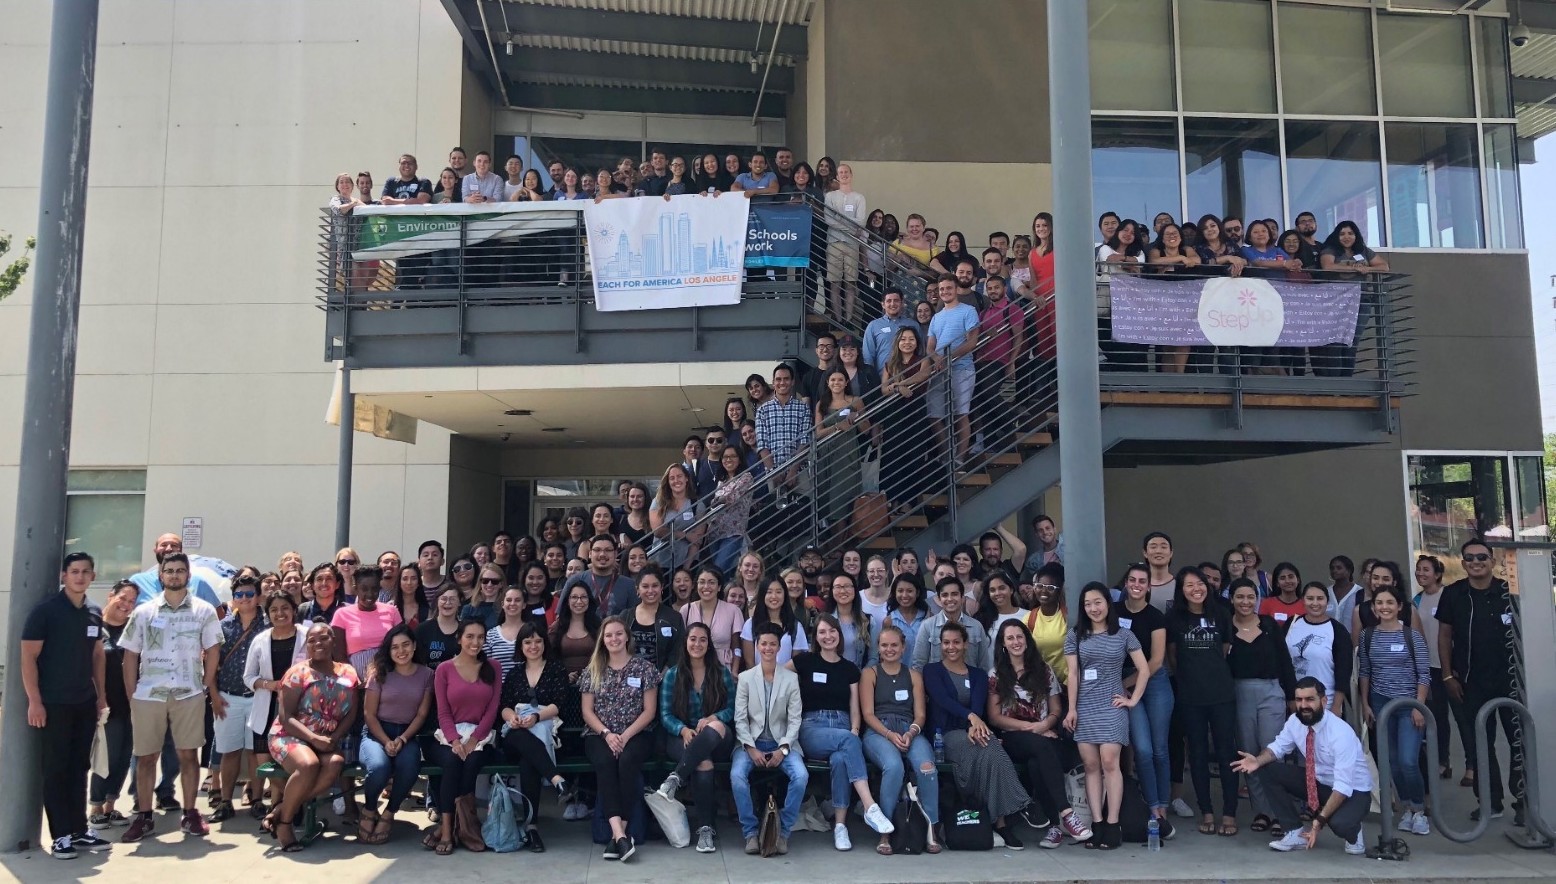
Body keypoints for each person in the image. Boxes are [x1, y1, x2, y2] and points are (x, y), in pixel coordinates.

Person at [118, 553, 223, 843]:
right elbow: (130, 654)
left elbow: (213, 649)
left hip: (188, 693)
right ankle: (144, 816)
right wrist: (132, 694)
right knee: (146, 757)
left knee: (188, 756)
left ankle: (190, 813)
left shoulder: (204, 610)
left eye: (180, 571)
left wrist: (205, 685)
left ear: (188, 575)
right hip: (149, 695)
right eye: (169, 571)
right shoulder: (144, 612)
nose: (174, 575)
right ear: (161, 576)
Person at [21, 552, 110, 859]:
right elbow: (28, 657)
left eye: (86, 572)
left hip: (84, 703)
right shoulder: (46, 612)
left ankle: (78, 830)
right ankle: (60, 836)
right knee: (56, 770)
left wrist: (100, 696)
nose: (80, 576)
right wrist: (35, 701)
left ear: (93, 577)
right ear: (64, 575)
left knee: (79, 767)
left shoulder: (94, 612)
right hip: (53, 704)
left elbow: (97, 656)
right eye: (74, 571)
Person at [1230, 677, 1371, 855]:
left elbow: (1343, 786)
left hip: (1353, 792)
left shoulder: (1340, 733)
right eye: (1299, 700)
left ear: (1324, 701)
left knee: (1340, 824)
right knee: (1267, 769)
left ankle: (1354, 829)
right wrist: (1257, 761)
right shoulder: (1295, 722)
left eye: (1310, 699)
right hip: (1320, 784)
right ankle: (1294, 832)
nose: (1303, 705)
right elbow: (1277, 748)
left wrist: (1319, 821)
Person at [1437, 538, 1524, 823]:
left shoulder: (1509, 592)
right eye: (1470, 558)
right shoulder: (1453, 594)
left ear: (1492, 561)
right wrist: (1447, 675)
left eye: (1482, 557)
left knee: (1519, 743)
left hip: (1511, 682)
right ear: (1463, 563)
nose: (1476, 562)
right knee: (1480, 745)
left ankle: (1524, 804)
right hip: (1470, 682)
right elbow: (1444, 636)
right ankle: (1490, 802)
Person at [792, 616, 896, 850]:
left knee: (841, 759)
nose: (827, 636)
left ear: (839, 635)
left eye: (832, 631)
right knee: (848, 742)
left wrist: (855, 730)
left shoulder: (849, 669)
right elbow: (776, 674)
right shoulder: (805, 661)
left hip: (842, 726)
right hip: (812, 727)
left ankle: (840, 827)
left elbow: (854, 708)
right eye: (822, 632)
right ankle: (869, 806)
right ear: (815, 637)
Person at [925, 621, 1031, 848]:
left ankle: (1001, 821)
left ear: (966, 644)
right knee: (990, 748)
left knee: (991, 750)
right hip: (946, 736)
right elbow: (943, 700)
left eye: (956, 642)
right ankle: (1012, 814)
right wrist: (972, 718)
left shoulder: (978, 675)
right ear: (940, 645)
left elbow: (977, 704)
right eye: (946, 642)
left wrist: (974, 723)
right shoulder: (932, 671)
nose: (951, 647)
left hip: (974, 730)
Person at [988, 619, 1092, 848]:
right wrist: (1031, 728)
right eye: (1010, 638)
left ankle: (1054, 826)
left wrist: (1044, 726)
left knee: (1037, 764)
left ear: (1027, 640)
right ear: (1003, 644)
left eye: (1019, 637)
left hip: (1044, 735)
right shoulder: (996, 675)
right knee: (1041, 747)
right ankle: (1067, 814)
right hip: (1014, 736)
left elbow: (1055, 710)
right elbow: (995, 717)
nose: (1016, 642)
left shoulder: (1043, 671)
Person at [1064, 583, 1148, 850]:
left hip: (1112, 706)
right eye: (1088, 604)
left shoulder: (1124, 634)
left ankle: (1113, 824)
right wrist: (1072, 708)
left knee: (1110, 762)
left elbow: (1144, 669)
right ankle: (1097, 824)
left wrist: (1132, 700)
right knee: (1090, 765)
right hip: (1085, 706)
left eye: (1098, 602)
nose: (1093, 608)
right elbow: (1073, 674)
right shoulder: (1075, 635)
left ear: (1107, 604)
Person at [265, 622, 359, 852]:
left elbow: (352, 712)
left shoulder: (348, 672)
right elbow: (286, 717)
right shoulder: (297, 673)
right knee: (308, 765)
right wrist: (314, 739)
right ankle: (285, 825)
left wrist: (334, 737)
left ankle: (281, 809)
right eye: (312, 640)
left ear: (333, 641)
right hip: (290, 735)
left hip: (327, 739)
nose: (318, 643)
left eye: (324, 638)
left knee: (335, 763)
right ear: (306, 646)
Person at [651, 623, 738, 854]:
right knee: (703, 763)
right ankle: (706, 830)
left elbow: (731, 709)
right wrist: (682, 729)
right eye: (693, 639)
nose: (697, 644)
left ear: (709, 644)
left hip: (718, 737)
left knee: (716, 726)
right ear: (685, 642)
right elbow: (665, 715)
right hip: (682, 737)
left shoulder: (721, 672)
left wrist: (713, 717)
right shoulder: (673, 675)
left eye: (702, 640)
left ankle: (675, 778)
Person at [580, 616, 660, 862]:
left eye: (618, 634)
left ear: (627, 637)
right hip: (599, 734)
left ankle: (617, 837)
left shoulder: (645, 668)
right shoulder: (593, 669)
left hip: (636, 733)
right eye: (608, 635)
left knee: (627, 762)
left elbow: (649, 711)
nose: (613, 639)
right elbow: (587, 712)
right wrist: (607, 734)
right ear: (602, 640)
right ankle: (620, 834)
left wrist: (624, 736)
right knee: (605, 762)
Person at [1166, 566, 1239, 837]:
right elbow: (1173, 657)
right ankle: (1206, 811)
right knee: (1196, 754)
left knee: (1226, 753)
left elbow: (1224, 650)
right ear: (1181, 590)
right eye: (1189, 585)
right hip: (1190, 696)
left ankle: (1229, 813)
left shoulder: (1221, 613)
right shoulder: (1174, 618)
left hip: (1221, 694)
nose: (1196, 589)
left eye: (1200, 583)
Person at [1357, 583, 1432, 835]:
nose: (1384, 607)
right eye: (1379, 603)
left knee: (1408, 760)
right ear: (1373, 607)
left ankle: (1419, 809)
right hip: (1380, 704)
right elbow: (1365, 671)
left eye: (1390, 602)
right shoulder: (1367, 635)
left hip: (1408, 705)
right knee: (1391, 762)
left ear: (1399, 606)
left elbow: (1424, 674)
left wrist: (1419, 706)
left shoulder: (1412, 636)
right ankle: (1407, 807)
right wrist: (1366, 703)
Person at [1227, 578, 1298, 837]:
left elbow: (1285, 662)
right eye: (1240, 597)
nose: (1245, 602)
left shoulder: (1269, 625)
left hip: (1271, 692)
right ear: (1231, 599)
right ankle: (1262, 811)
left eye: (1250, 597)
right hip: (1239, 693)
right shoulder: (1225, 628)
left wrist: (1292, 696)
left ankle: (1280, 812)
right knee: (1248, 751)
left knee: (1271, 750)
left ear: (1257, 599)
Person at [732, 623, 809, 855]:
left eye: (772, 644)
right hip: (751, 743)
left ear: (779, 647)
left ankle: (782, 832)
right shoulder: (745, 678)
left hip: (782, 743)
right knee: (737, 776)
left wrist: (783, 749)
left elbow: (795, 720)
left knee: (801, 776)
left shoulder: (790, 679)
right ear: (757, 646)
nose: (768, 648)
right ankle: (750, 833)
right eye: (763, 644)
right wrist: (750, 748)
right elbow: (740, 719)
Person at [426, 619, 502, 855]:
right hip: (449, 735)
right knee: (452, 761)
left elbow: (492, 710)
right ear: (459, 639)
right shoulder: (444, 669)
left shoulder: (493, 667)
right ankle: (447, 830)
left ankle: (462, 827)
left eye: (480, 637)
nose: (475, 642)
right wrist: (456, 740)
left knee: (471, 762)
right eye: (470, 636)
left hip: (482, 737)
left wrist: (474, 740)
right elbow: (443, 712)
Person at [497, 622, 570, 852]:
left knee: (528, 761)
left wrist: (537, 717)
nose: (533, 646)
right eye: (528, 642)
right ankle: (557, 779)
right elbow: (504, 705)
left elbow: (559, 703)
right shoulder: (514, 673)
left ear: (545, 644)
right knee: (521, 737)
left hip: (547, 730)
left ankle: (531, 828)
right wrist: (513, 718)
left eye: (538, 641)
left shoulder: (556, 669)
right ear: (521, 646)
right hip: (515, 735)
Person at [358, 624, 433, 845]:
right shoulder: (379, 673)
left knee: (410, 766)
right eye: (395, 647)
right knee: (378, 768)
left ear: (414, 646)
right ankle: (370, 808)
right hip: (377, 732)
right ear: (388, 650)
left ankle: (390, 812)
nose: (401, 651)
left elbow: (421, 714)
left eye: (405, 645)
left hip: (407, 734)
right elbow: (369, 714)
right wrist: (385, 740)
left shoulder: (427, 674)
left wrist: (402, 739)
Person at [1113, 562, 1173, 834]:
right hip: (1126, 680)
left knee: (1160, 749)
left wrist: (1125, 684)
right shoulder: (1114, 612)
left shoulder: (1155, 616)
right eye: (1132, 580)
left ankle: (1163, 805)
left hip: (1154, 682)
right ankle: (1152, 805)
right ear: (1126, 583)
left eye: (1142, 581)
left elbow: (1157, 661)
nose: (1136, 585)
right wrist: (1122, 683)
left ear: (1149, 586)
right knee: (1143, 750)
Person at [205, 572, 266, 824]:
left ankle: (257, 800)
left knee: (255, 752)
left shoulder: (268, 626)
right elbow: (211, 663)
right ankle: (226, 801)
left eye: (249, 594)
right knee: (229, 752)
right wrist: (214, 695)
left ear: (259, 596)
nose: (244, 598)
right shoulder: (223, 626)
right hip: (228, 697)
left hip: (258, 698)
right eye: (239, 594)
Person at [89, 580, 141, 831]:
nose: (126, 605)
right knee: (106, 756)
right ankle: (96, 806)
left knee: (123, 756)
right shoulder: (94, 627)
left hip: (131, 704)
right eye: (123, 598)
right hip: (105, 704)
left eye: (132, 601)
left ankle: (111, 805)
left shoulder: (134, 629)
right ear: (111, 596)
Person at [926, 275, 981, 465]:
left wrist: (949, 357)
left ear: (956, 289)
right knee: (934, 415)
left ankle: (959, 458)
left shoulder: (968, 311)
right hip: (939, 370)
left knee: (960, 414)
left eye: (949, 288)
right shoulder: (936, 317)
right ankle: (946, 455)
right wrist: (937, 359)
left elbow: (972, 342)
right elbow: (930, 347)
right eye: (942, 289)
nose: (945, 292)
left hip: (962, 369)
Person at [1413, 554, 1455, 782]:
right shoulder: (1416, 600)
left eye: (1426, 570)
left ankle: (1455, 762)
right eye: (1418, 569)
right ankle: (1438, 760)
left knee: (1452, 716)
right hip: (1426, 666)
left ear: (1437, 574)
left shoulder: (1447, 596)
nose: (1421, 573)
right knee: (1433, 715)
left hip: (1446, 666)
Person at [1286, 582, 1353, 717]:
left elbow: (1344, 672)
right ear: (1303, 600)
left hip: (1326, 703)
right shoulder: (1291, 624)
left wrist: (1336, 706)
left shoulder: (1338, 630)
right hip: (1296, 702)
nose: (1315, 603)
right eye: (1310, 598)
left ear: (1327, 601)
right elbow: (1283, 664)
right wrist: (1290, 699)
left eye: (1320, 598)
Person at [913, 576, 992, 671]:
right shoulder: (927, 626)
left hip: (970, 680)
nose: (950, 599)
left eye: (954, 594)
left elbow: (983, 665)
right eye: (945, 595)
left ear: (962, 597)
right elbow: (919, 664)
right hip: (936, 680)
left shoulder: (976, 627)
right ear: (939, 599)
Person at [129, 532, 223, 610]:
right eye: (164, 545)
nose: (169, 549)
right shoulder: (138, 582)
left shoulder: (198, 583)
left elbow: (218, 614)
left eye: (174, 545)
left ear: (181, 550)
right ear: (155, 550)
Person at [824, 163, 867, 323]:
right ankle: (838, 319)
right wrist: (850, 227)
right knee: (834, 283)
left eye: (846, 172)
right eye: (840, 172)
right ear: (837, 176)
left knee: (851, 283)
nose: (844, 174)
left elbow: (861, 222)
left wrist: (840, 218)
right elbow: (828, 219)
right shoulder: (830, 196)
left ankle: (848, 320)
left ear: (851, 174)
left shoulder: (859, 197)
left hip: (852, 244)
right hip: (834, 242)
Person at [682, 565, 745, 669]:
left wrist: (734, 671)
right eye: (702, 582)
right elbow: (682, 644)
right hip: (692, 669)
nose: (706, 586)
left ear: (719, 587)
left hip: (723, 669)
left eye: (711, 582)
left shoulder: (733, 611)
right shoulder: (686, 610)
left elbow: (737, 647)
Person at [741, 580, 811, 666]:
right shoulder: (750, 624)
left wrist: (780, 673)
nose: (774, 596)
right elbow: (749, 662)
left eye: (778, 592)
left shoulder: (796, 626)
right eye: (769, 592)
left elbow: (796, 662)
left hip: (786, 674)